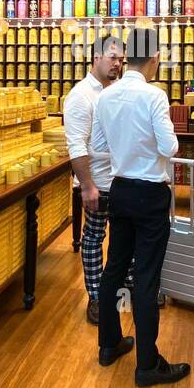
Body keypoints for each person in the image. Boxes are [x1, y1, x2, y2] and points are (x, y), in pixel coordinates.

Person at [89, 28, 190, 387]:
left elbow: (99, 144)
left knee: (114, 266)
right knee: (146, 277)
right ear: (155, 57)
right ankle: (147, 363)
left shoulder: (106, 96)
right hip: (149, 192)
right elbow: (171, 147)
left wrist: (125, 149)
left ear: (128, 56)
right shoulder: (154, 96)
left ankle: (109, 343)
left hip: (119, 190)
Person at [63, 32, 125, 325]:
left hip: (121, 180)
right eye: (113, 57)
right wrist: (86, 185)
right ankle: (96, 296)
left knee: (123, 238)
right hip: (97, 182)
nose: (118, 64)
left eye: (121, 59)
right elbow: (76, 144)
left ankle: (119, 291)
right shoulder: (80, 96)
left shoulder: (116, 91)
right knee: (93, 237)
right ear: (96, 57)